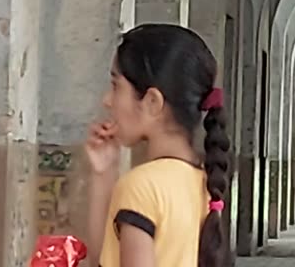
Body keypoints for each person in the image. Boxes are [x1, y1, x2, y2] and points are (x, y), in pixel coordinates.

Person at [84, 23, 231, 267]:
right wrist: (103, 172)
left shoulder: (141, 185)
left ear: (152, 102)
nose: (107, 101)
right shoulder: (203, 182)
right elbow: (108, 257)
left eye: (116, 86)